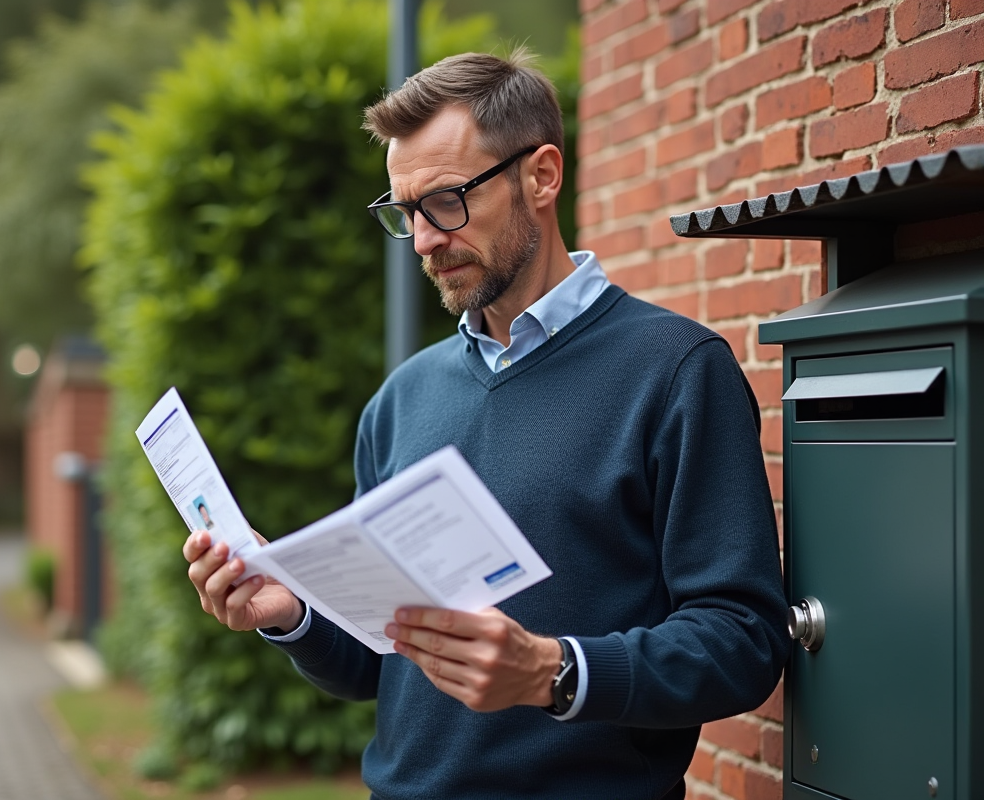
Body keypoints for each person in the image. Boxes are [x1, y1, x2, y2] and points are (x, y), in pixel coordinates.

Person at [184, 49, 788, 799]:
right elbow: (381, 664)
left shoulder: (675, 371)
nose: (427, 239)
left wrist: (554, 672)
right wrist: (295, 614)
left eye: (445, 201)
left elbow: (745, 640)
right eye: (406, 214)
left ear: (541, 176)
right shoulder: (401, 401)